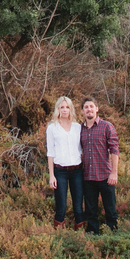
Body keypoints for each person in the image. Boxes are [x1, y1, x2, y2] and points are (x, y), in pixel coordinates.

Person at [80, 96, 119, 234]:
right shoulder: (80, 130)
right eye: (86, 107)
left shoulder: (107, 126)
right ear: (83, 111)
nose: (89, 109)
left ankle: (113, 236)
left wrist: (114, 173)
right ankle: (93, 237)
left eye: (91, 106)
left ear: (97, 109)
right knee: (90, 211)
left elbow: (114, 150)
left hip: (105, 176)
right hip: (88, 177)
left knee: (110, 209)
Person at [46, 96, 85, 229]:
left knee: (78, 206)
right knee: (61, 206)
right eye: (61, 107)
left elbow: (81, 150)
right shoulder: (52, 128)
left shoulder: (77, 127)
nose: (64, 110)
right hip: (60, 171)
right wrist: (52, 175)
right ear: (57, 109)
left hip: (77, 171)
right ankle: (59, 236)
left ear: (71, 109)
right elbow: (50, 153)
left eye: (67, 107)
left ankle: (80, 236)